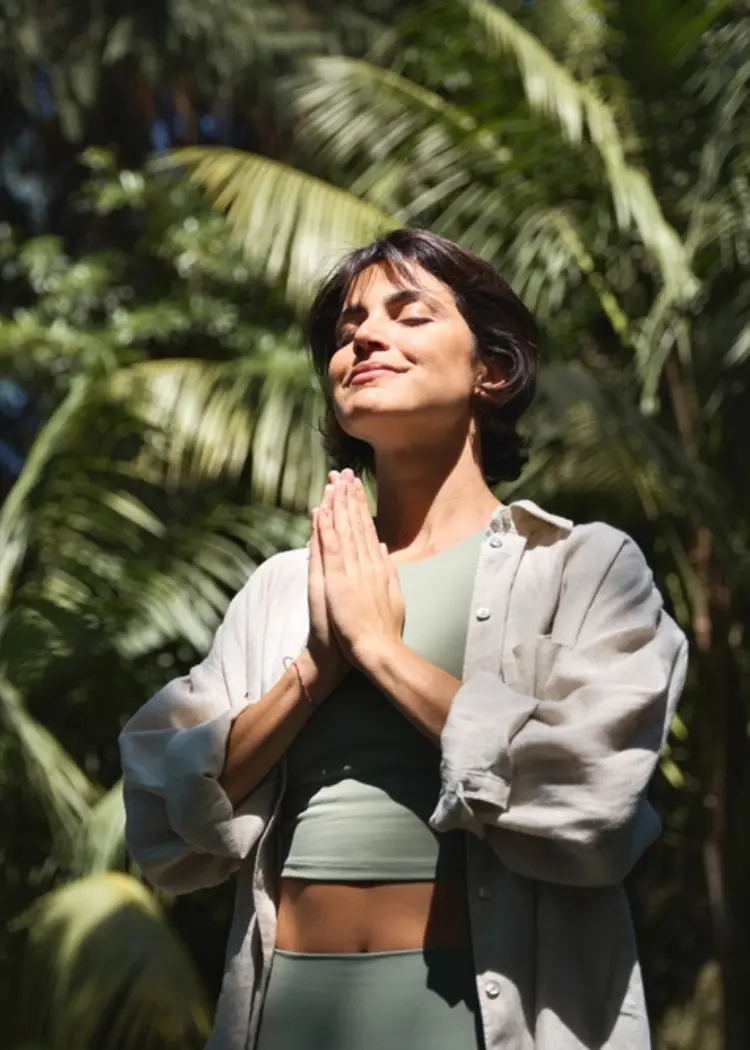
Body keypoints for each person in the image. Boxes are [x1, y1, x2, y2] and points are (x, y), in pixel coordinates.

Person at [119, 228, 688, 1050]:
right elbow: (163, 813)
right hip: (288, 1015)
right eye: (348, 329)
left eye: (409, 315)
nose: (364, 339)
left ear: (492, 370)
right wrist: (317, 667)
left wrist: (382, 652)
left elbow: (593, 789)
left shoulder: (581, 567)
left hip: (476, 1020)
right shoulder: (286, 587)